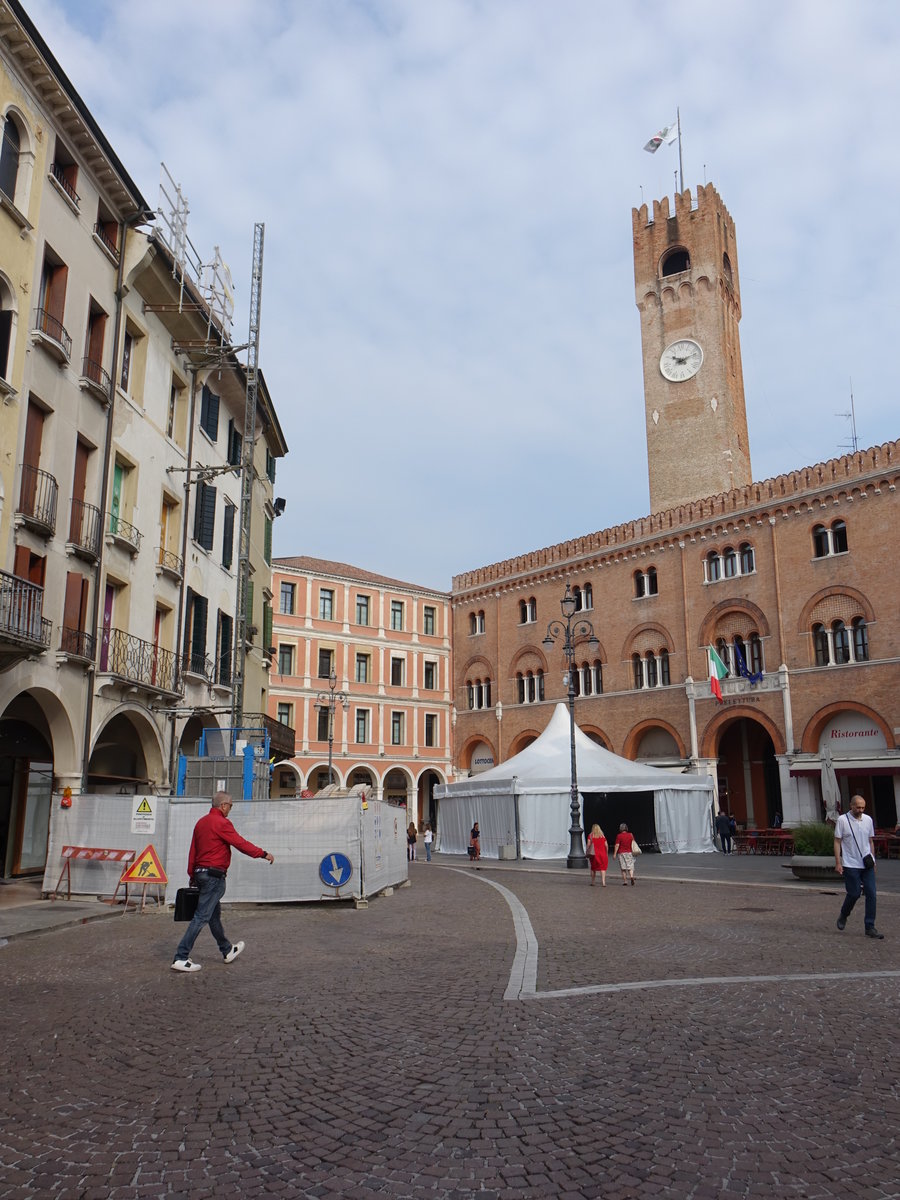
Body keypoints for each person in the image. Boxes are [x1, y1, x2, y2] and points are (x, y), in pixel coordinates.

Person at [172, 791, 274, 973]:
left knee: (213, 916)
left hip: (200, 873)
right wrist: (263, 853)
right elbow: (240, 843)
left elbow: (193, 851)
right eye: (231, 806)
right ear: (223, 805)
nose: (230, 809)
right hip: (214, 876)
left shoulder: (201, 822)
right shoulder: (222, 823)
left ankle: (227, 950)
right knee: (202, 916)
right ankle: (181, 956)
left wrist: (192, 874)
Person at [834, 794, 883, 938]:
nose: (861, 810)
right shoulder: (843, 820)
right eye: (858, 807)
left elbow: (870, 841)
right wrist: (838, 862)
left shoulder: (868, 820)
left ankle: (870, 926)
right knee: (854, 893)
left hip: (866, 863)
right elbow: (837, 841)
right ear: (851, 805)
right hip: (850, 863)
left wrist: (873, 860)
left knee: (872, 894)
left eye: (863, 807)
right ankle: (844, 914)